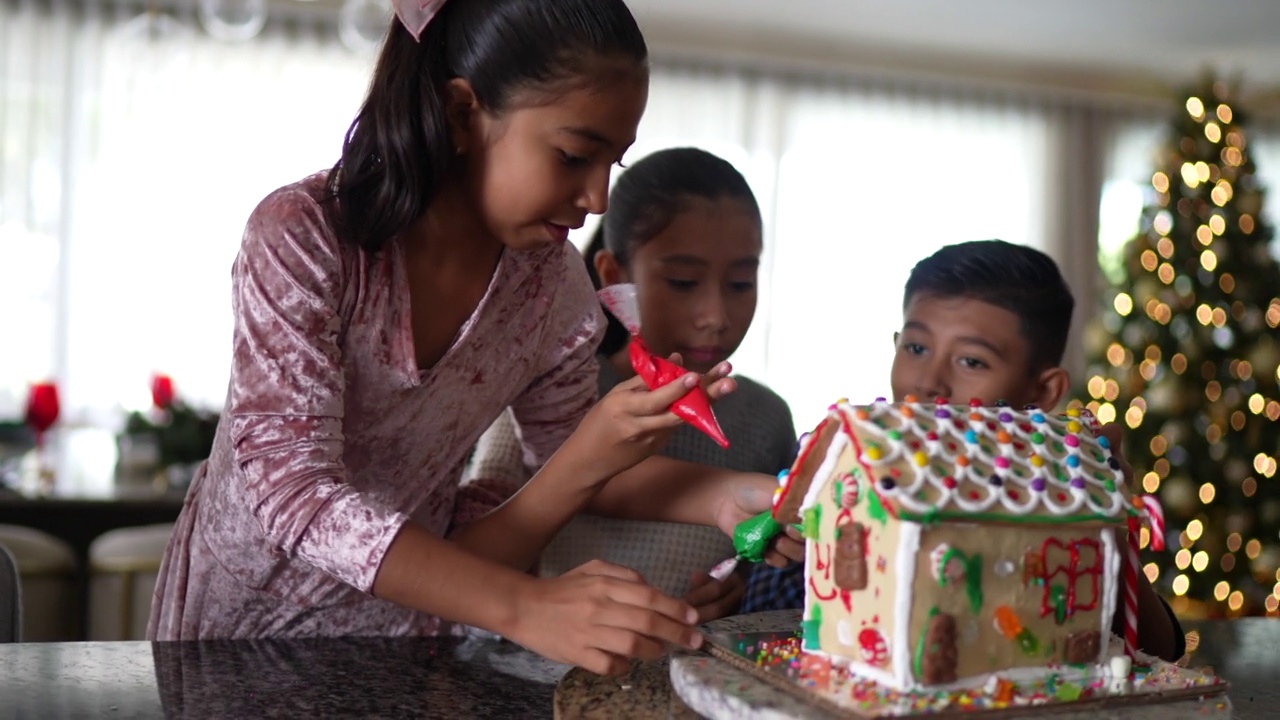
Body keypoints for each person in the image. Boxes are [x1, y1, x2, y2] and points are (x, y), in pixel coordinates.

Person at [147, 0, 798, 677]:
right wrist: (526, 605)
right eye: (575, 155)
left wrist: (728, 496)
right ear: (462, 114)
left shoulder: (553, 289)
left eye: (615, 162)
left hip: (409, 645)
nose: (599, 198)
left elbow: (577, 463)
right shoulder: (305, 237)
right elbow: (294, 494)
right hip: (233, 641)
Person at [739, 239, 1185, 662]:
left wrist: (1107, 516)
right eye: (916, 348)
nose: (928, 381)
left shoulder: (1049, 486)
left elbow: (1158, 650)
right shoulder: (850, 471)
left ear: (1044, 389)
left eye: (971, 361)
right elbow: (762, 626)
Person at [466, 148, 798, 622]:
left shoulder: (765, 419)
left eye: (741, 283)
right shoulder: (545, 390)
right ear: (614, 276)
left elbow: (774, 551)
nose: (716, 317)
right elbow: (474, 555)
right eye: (683, 282)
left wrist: (742, 587)